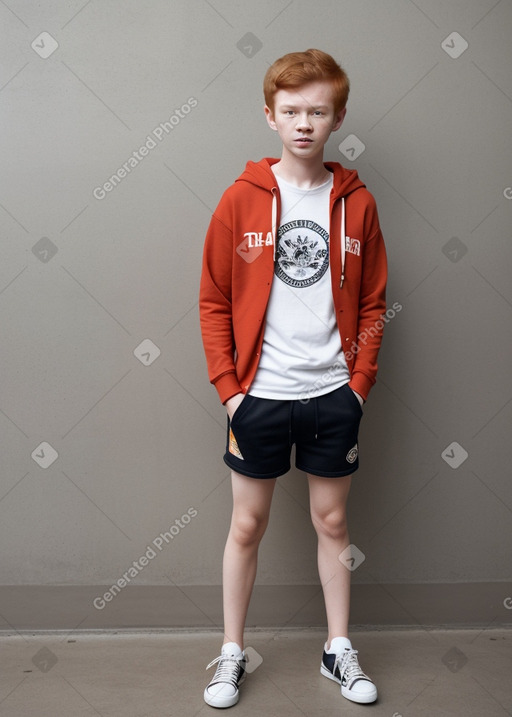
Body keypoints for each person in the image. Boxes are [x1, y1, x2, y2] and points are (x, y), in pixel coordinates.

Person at [199, 48, 387, 709]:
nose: (304, 123)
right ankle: (230, 652)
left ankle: (338, 648)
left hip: (333, 393)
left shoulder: (356, 204)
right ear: (270, 116)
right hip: (259, 395)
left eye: (317, 111)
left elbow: (371, 304)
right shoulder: (239, 199)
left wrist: (357, 384)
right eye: (291, 111)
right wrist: (231, 391)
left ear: (337, 117)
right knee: (245, 525)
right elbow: (213, 299)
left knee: (333, 521)